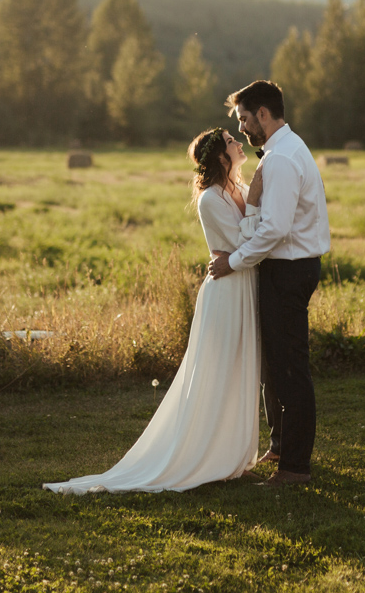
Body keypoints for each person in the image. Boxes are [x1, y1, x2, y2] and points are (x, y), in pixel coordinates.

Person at [43, 128, 263, 494]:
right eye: (230, 141)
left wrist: (252, 202)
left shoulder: (238, 189)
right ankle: (210, 458)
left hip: (244, 287)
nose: (239, 143)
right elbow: (247, 241)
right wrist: (256, 206)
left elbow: (253, 240)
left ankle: (236, 458)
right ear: (221, 157)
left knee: (243, 370)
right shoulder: (211, 199)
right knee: (219, 371)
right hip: (225, 293)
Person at [209, 80, 330, 486]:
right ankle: (280, 446)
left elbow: (275, 229)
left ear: (263, 114)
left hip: (289, 269)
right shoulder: (284, 151)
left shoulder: (280, 160)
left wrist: (235, 262)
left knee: (290, 369)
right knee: (276, 368)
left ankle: (294, 468)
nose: (242, 128)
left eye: (244, 119)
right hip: (286, 268)